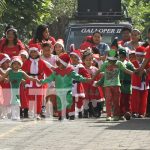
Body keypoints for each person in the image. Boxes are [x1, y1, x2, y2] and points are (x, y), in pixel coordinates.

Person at [40, 53, 91, 121]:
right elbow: (50, 78)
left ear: (64, 64)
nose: (59, 65)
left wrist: (85, 79)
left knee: (68, 102)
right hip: (59, 91)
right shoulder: (56, 72)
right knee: (60, 103)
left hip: (68, 91)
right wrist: (42, 81)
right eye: (58, 64)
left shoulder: (70, 71)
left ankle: (66, 113)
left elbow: (78, 77)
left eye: (60, 64)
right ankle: (61, 115)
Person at [94, 49, 133, 121]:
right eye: (110, 60)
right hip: (107, 86)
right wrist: (93, 78)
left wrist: (135, 73)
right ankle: (108, 115)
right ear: (108, 59)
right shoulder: (105, 64)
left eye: (113, 60)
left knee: (116, 101)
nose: (112, 62)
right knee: (108, 100)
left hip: (116, 85)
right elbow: (99, 71)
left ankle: (116, 115)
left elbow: (126, 70)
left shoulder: (119, 63)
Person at [0, 56, 38, 120]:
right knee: (12, 102)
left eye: (18, 64)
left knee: (17, 102)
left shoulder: (21, 73)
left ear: (20, 65)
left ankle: (17, 115)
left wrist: (36, 80)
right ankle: (13, 115)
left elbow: (29, 78)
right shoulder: (9, 72)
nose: (16, 65)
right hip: (11, 91)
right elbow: (2, 78)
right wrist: (7, 80)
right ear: (11, 65)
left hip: (17, 92)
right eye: (14, 64)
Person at [22, 44, 53, 120]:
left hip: (39, 82)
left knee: (39, 98)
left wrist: (54, 77)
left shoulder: (42, 62)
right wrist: (22, 80)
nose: (33, 54)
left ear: (38, 52)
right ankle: (31, 111)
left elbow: (48, 72)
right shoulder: (27, 62)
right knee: (30, 98)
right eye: (31, 52)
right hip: (30, 81)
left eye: (34, 52)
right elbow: (22, 71)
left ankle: (38, 113)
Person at [82, 49, 104, 118]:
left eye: (90, 60)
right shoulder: (82, 69)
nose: (89, 61)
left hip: (93, 88)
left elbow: (99, 75)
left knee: (94, 99)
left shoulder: (95, 69)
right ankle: (85, 112)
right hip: (85, 87)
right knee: (86, 100)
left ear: (92, 60)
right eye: (87, 60)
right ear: (83, 61)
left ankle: (95, 111)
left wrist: (105, 73)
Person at [69, 49, 90, 119]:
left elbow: (86, 75)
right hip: (70, 86)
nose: (73, 59)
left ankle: (80, 111)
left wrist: (87, 79)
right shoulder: (68, 66)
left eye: (75, 57)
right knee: (71, 100)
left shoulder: (80, 67)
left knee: (79, 101)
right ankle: (71, 114)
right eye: (72, 57)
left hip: (78, 86)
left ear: (78, 59)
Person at [131, 46, 150, 118]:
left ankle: (142, 113)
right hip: (136, 83)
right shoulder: (133, 63)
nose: (140, 57)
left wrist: (147, 71)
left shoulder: (147, 64)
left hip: (145, 83)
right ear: (135, 55)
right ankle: (134, 112)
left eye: (142, 56)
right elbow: (133, 71)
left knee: (144, 99)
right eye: (138, 56)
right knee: (135, 98)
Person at [118, 47, 135, 120]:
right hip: (119, 85)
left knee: (127, 100)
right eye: (120, 56)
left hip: (127, 85)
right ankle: (121, 113)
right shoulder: (117, 64)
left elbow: (134, 71)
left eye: (123, 56)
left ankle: (128, 112)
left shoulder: (129, 64)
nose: (121, 58)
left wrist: (140, 71)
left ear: (125, 57)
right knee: (120, 100)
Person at [0, 53, 11, 119]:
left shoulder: (10, 70)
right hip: (2, 89)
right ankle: (3, 113)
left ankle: (7, 113)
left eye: (9, 62)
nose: (8, 64)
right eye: (6, 62)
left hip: (8, 89)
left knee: (7, 100)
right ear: (1, 63)